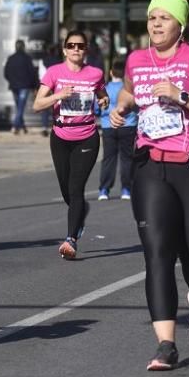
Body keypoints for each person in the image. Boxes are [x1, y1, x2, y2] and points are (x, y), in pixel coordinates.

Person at [109, 0, 189, 370]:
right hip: (151, 167)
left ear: (180, 25)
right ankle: (166, 345)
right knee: (157, 254)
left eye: (165, 18)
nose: (156, 24)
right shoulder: (136, 60)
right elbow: (131, 92)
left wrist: (182, 96)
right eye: (152, 18)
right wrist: (120, 107)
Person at [33, 31, 108, 259]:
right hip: (60, 136)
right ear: (65, 49)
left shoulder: (95, 73)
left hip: (87, 136)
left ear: (86, 50)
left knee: (76, 189)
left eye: (80, 46)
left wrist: (104, 100)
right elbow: (37, 104)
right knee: (67, 191)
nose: (76, 49)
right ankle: (80, 211)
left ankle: (71, 240)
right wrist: (59, 96)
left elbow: (102, 93)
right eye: (71, 45)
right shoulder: (54, 72)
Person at [97, 60, 137, 201]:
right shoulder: (129, 89)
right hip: (128, 125)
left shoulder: (105, 88)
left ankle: (104, 189)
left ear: (111, 72)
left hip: (108, 126)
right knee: (127, 158)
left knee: (108, 158)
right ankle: (126, 189)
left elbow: (97, 108)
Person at [4, 40, 38, 135]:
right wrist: (34, 85)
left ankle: (22, 127)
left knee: (19, 106)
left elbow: (6, 73)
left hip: (14, 86)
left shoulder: (11, 58)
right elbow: (32, 73)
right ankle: (15, 126)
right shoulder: (27, 58)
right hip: (24, 86)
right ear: (23, 47)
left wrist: (11, 81)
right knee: (20, 107)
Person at [39, 42, 63, 136]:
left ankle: (44, 127)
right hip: (58, 85)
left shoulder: (43, 61)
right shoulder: (59, 61)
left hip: (46, 85)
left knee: (45, 107)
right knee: (57, 106)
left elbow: (41, 75)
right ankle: (58, 125)